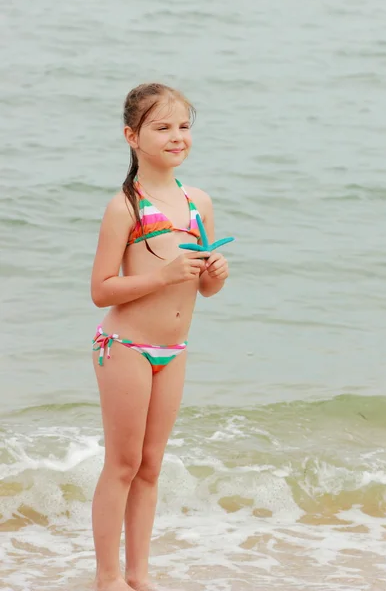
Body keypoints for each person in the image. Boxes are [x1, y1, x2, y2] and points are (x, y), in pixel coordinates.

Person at [90, 83, 230, 591]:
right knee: (123, 464)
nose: (177, 137)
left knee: (151, 467)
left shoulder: (199, 203)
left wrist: (215, 273)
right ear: (132, 136)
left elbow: (205, 290)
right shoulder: (125, 207)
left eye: (184, 126)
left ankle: (139, 575)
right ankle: (107, 578)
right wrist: (163, 276)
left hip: (173, 351)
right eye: (163, 127)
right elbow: (101, 290)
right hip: (125, 349)